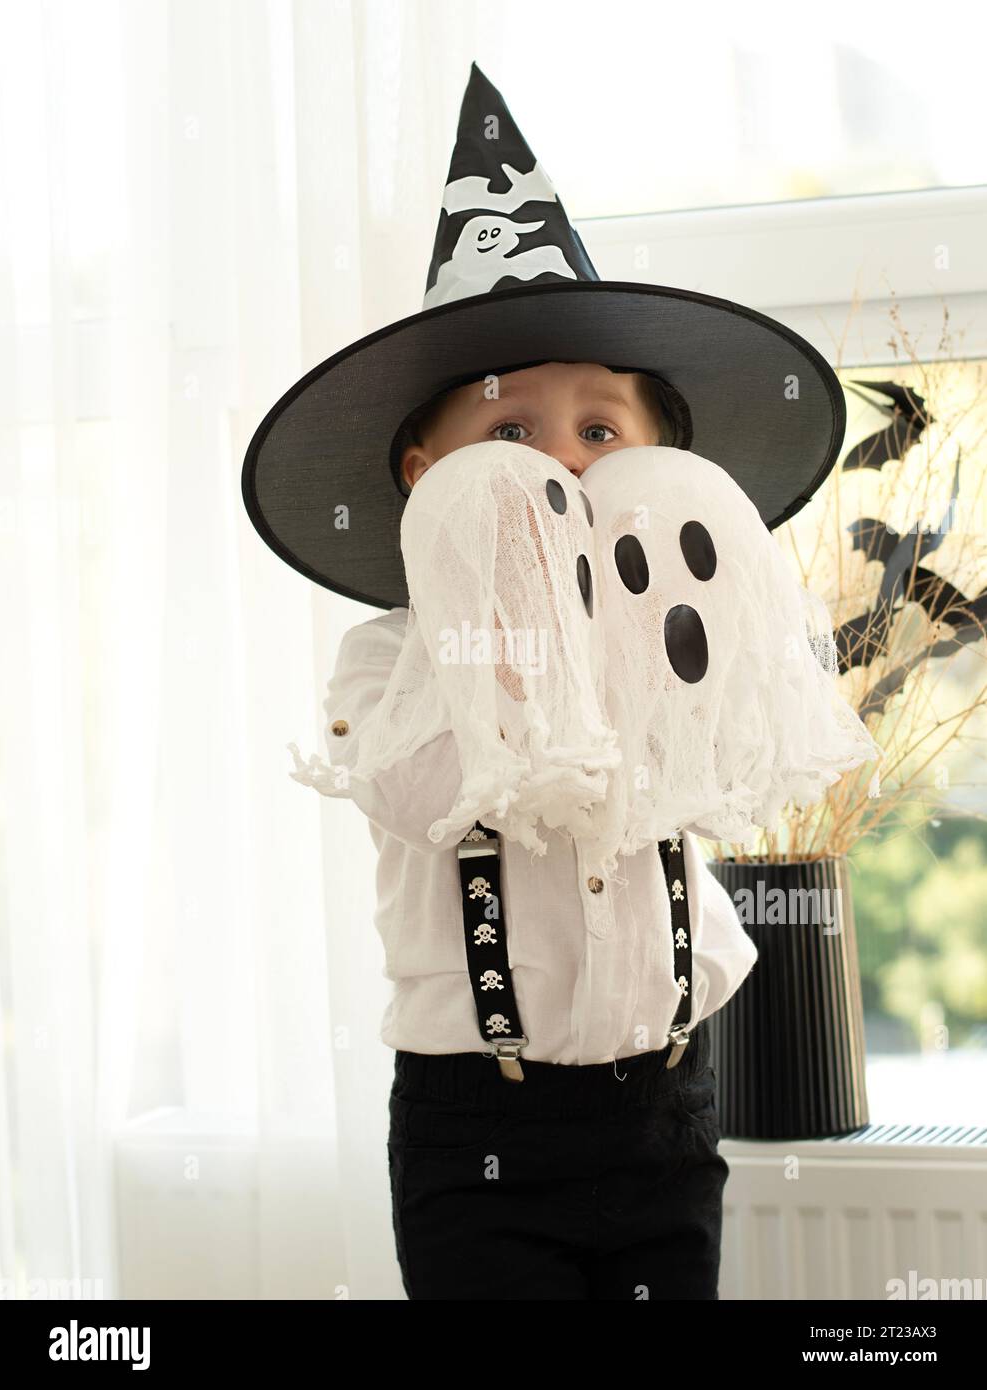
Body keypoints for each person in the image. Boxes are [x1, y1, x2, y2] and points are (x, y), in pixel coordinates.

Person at [242, 62, 849, 1299]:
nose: (562, 469)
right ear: (425, 475)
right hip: (483, 1133)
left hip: (668, 1106)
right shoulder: (392, 658)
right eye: (508, 436)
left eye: (600, 430)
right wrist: (516, 608)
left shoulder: (666, 639)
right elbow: (434, 788)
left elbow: (717, 747)